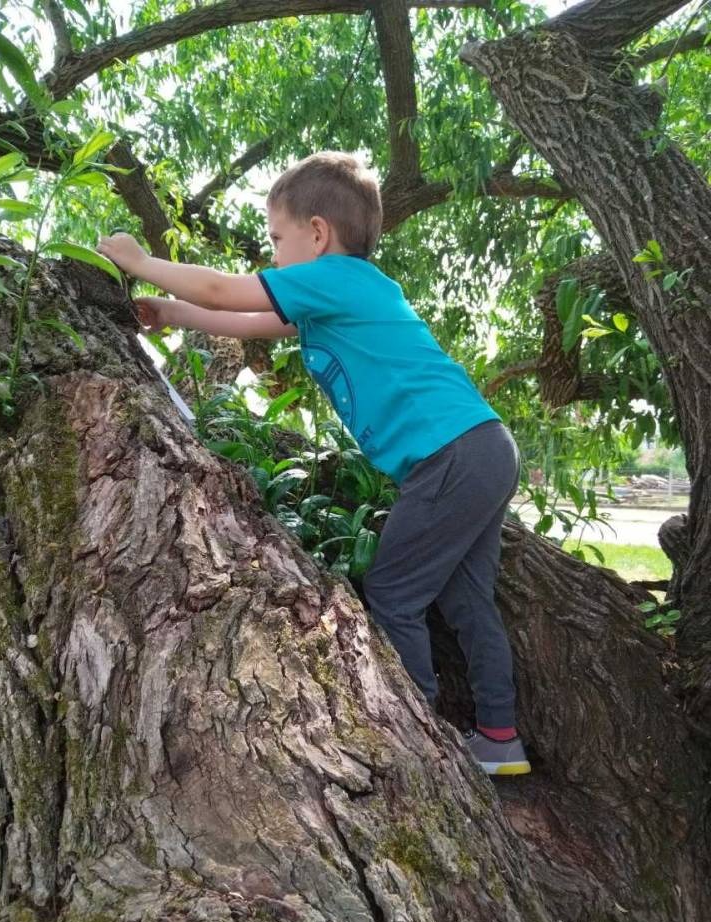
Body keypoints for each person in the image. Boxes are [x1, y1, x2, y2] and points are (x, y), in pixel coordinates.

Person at [97, 151, 530, 776]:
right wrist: (169, 312)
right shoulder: (351, 292)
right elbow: (247, 320)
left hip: (451, 455)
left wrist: (140, 262)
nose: (273, 255)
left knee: (393, 594)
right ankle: (499, 738)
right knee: (467, 600)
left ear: (318, 234)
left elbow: (223, 288)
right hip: (484, 447)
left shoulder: (334, 278)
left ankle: (421, 743)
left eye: (277, 239)